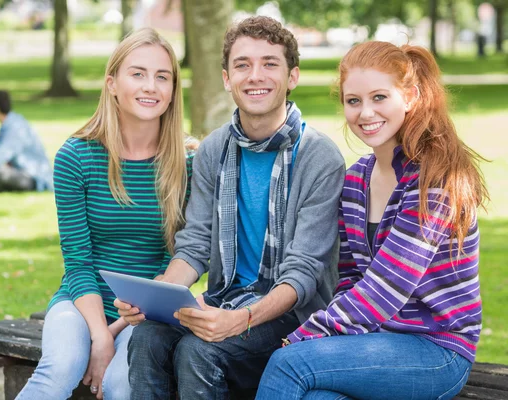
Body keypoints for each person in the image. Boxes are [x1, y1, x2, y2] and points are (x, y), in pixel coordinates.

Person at [118, 16, 346, 399]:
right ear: (227, 78)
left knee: (198, 351)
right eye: (242, 65)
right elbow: (195, 243)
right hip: (225, 299)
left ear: (292, 77)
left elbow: (303, 274)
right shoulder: (213, 150)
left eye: (269, 64)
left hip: (291, 317)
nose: (255, 76)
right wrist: (156, 298)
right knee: (146, 338)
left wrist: (241, 320)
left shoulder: (319, 158)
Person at [256, 41, 488, 400]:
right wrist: (333, 338)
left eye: (379, 97)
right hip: (374, 341)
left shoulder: (434, 182)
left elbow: (384, 289)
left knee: (289, 363)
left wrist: (303, 337)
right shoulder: (355, 180)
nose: (365, 113)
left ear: (410, 97)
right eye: (354, 101)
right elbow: (350, 278)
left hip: (437, 349)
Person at [15, 28, 191, 400]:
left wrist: (117, 329)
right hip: (82, 298)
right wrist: (100, 334)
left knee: (121, 384)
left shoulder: (185, 164)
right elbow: (77, 263)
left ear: (173, 89)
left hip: (150, 310)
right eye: (138, 73)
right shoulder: (77, 157)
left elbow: (175, 258)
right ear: (112, 83)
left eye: (163, 77)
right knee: (60, 365)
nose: (151, 86)